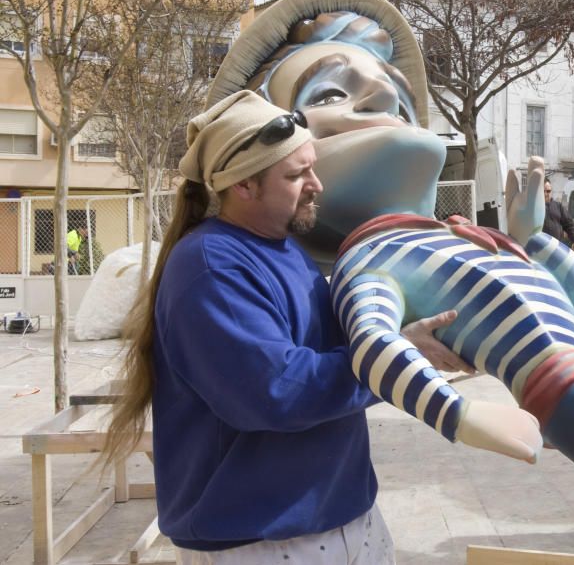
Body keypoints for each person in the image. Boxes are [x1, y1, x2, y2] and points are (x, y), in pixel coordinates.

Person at [103, 90, 471, 564]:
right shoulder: (212, 267)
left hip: (343, 514)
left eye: (312, 167)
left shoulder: (286, 249)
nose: (316, 184)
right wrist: (395, 357)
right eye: (297, 174)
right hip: (260, 538)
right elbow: (276, 392)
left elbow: (343, 341)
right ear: (243, 187)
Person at [542, 178, 574, 252]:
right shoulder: (534, 207)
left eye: (548, 191)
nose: (546, 194)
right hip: (540, 248)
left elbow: (569, 225)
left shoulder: (558, 206)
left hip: (557, 248)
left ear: (551, 191)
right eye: (543, 191)